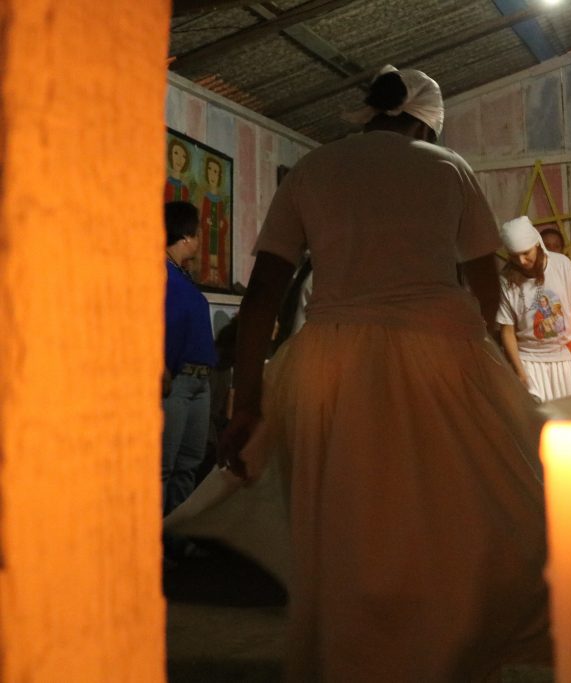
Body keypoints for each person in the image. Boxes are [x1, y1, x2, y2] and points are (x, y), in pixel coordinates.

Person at [218, 65, 549, 682]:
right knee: (452, 515)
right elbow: (483, 285)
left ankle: (353, 661)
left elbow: (263, 292)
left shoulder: (315, 168)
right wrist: (463, 350)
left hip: (330, 365)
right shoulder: (449, 169)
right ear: (428, 121)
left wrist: (246, 400)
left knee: (346, 527)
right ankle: (446, 654)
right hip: (439, 359)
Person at [162, 201, 217, 525]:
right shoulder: (157, 272)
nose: (199, 241)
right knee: (164, 467)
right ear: (186, 235)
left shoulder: (182, 276)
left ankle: (176, 537)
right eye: (197, 233)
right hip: (177, 381)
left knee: (188, 464)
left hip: (200, 381)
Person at [497, 216, 571, 400]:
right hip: (529, 361)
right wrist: (520, 372)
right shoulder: (506, 280)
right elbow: (507, 331)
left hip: (565, 357)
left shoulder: (561, 264)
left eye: (526, 253)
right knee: (538, 422)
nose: (522, 261)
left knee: (569, 420)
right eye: (515, 256)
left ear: (537, 245)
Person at [198, 156, 230, 288]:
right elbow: (202, 219)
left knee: (218, 258)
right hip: (208, 236)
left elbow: (224, 221)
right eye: (210, 170)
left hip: (218, 239)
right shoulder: (206, 198)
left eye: (215, 171)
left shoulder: (221, 201)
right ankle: (207, 275)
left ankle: (218, 277)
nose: (212, 174)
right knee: (208, 256)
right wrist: (207, 222)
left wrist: (223, 224)